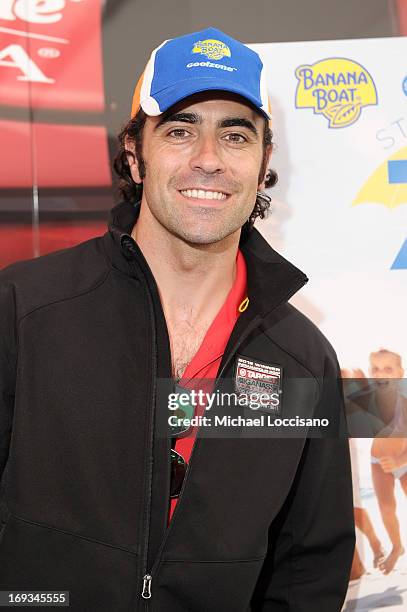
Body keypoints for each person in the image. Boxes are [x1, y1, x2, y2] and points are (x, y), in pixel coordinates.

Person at [0, 27, 355, 611]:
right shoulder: (24, 310)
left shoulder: (301, 359)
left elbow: (306, 572)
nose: (208, 160)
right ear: (136, 156)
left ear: (264, 162)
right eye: (181, 130)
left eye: (235, 135)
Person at [344, 350, 407, 574]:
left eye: (388, 369)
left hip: (404, 458)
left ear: (400, 372)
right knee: (386, 508)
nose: (381, 374)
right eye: (375, 369)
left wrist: (400, 459)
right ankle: (397, 547)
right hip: (378, 460)